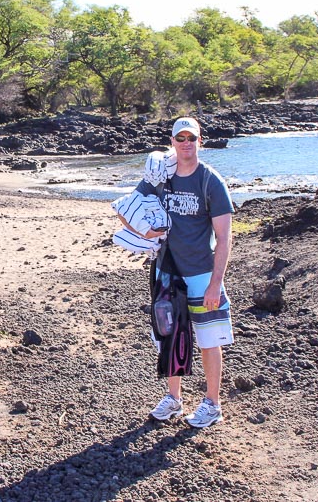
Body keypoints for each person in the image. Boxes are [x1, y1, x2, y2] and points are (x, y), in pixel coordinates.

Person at [117, 116, 234, 428]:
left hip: (201, 273)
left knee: (209, 340)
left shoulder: (210, 180)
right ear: (172, 142)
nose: (186, 143)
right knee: (169, 335)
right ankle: (174, 399)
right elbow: (126, 209)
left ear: (200, 142)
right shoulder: (161, 175)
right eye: (180, 138)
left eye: (191, 138)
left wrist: (215, 284)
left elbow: (224, 237)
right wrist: (144, 234)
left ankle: (212, 403)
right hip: (167, 271)